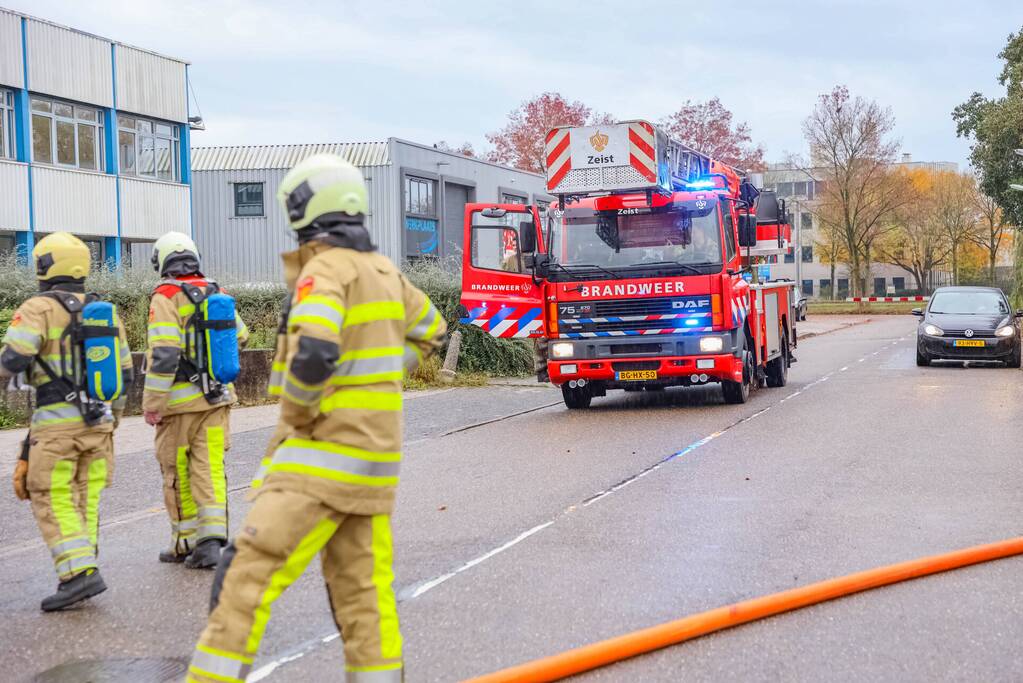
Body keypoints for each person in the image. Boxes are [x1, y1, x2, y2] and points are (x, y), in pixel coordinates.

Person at [185, 154, 446, 683]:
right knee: (363, 594)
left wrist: (301, 413)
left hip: (319, 455)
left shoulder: (324, 268)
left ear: (307, 209)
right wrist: (378, 376)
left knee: (245, 576)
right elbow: (433, 330)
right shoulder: (385, 271)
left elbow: (315, 353)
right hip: (373, 465)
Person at [2, 232, 132, 611]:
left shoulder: (37, 308)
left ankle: (78, 574)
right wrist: (112, 421)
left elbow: (13, 360)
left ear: (45, 265)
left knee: (52, 495)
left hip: (56, 428)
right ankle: (82, 566)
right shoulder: (105, 312)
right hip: (99, 425)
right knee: (84, 499)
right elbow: (124, 374)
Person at [143, 231, 249, 568]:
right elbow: (242, 336)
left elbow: (164, 354)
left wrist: (153, 403)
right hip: (217, 400)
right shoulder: (216, 291)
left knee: (177, 470)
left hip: (179, 406)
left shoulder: (166, 296)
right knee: (210, 467)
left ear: (161, 262)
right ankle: (211, 541)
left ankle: (185, 541)